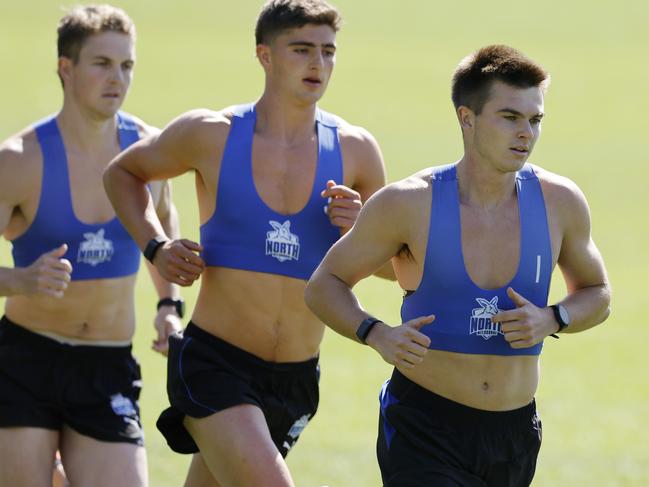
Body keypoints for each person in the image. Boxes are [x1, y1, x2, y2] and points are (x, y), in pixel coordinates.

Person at [104, 1, 390, 485]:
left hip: (295, 380)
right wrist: (156, 246)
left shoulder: (356, 150)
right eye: (301, 49)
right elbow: (123, 173)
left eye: (327, 51)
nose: (317, 64)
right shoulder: (210, 133)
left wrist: (362, 231)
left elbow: (395, 267)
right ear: (265, 55)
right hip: (215, 364)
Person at [305, 44, 612, 486]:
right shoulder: (408, 203)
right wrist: (375, 333)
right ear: (467, 118)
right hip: (423, 425)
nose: (526, 133)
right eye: (510, 117)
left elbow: (598, 293)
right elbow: (325, 284)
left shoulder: (560, 202)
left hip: (513, 433)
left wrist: (553, 318)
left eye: (535, 119)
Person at [0, 5, 183, 487]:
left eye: (126, 66)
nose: (117, 78)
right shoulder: (19, 161)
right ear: (67, 68)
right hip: (25, 362)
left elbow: (161, 225)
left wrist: (169, 303)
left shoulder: (148, 151)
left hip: (107, 363)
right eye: (102, 64)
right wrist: (19, 281)